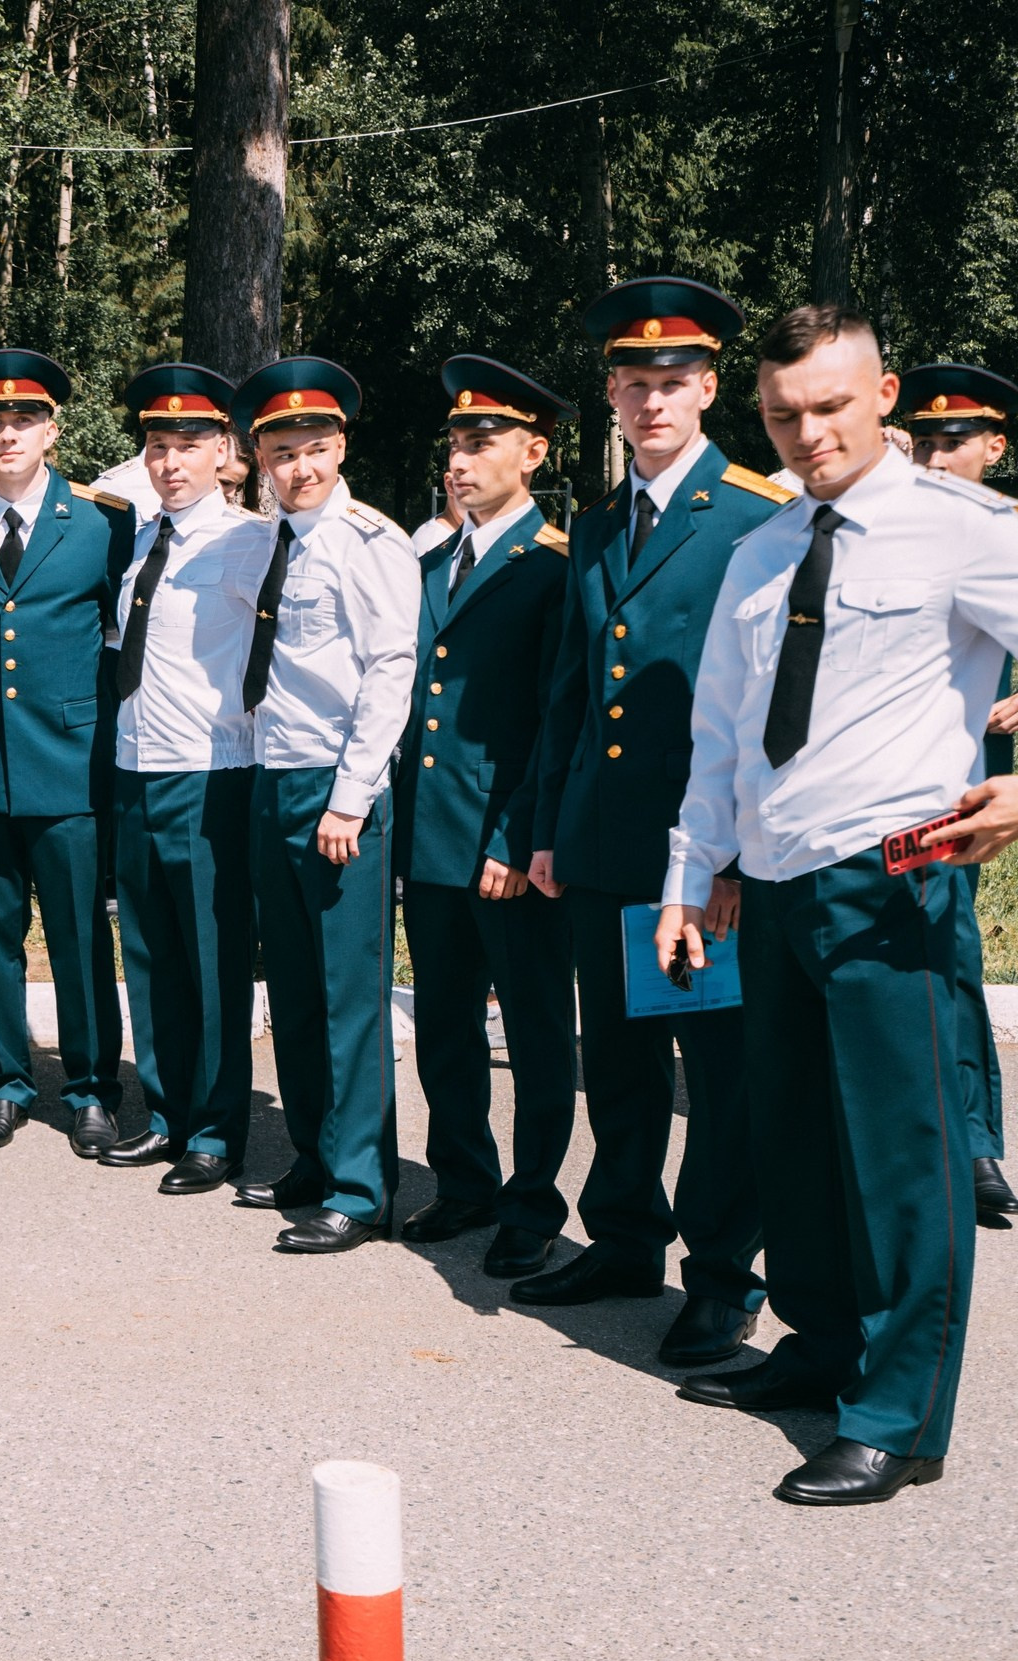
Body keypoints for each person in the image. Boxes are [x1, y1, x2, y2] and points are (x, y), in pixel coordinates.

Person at [660, 304, 1018, 1504]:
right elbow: (719, 729)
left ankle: (896, 1414)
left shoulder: (963, 531)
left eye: (830, 406)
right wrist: (696, 868)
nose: (808, 433)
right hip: (770, 887)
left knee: (901, 1158)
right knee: (798, 1146)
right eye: (782, 414)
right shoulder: (762, 549)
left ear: (882, 396)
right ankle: (823, 1350)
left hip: (891, 880)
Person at [517, 278, 792, 1367]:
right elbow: (571, 695)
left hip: (704, 854)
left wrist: (726, 856)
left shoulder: (755, 518)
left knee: (715, 1077)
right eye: (632, 384)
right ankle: (625, 1239)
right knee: (619, 1064)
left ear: (710, 388)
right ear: (612, 397)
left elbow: (770, 708)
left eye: (672, 382)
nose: (650, 401)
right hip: (600, 843)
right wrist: (548, 829)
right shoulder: (592, 526)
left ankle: (722, 1277)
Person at [390, 357, 580, 1277]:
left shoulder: (555, 567)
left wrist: (515, 834)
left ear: (533, 452)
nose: (460, 460)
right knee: (446, 1023)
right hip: (429, 836)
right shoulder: (428, 560)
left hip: (506, 844)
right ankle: (463, 1177)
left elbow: (556, 718)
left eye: (482, 442)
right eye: (455, 443)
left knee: (538, 1029)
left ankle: (533, 1202)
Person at [225, 357, 419, 1252]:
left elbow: (390, 673)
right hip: (274, 779)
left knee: (349, 995)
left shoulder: (372, 541)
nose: (300, 467)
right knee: (294, 991)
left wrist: (349, 800)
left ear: (342, 446)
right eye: (281, 451)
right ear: (258, 457)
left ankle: (360, 1183)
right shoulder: (273, 539)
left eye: (315, 448)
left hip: (338, 792)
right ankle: (312, 1155)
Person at [0, 348, 131, 1155]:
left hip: (75, 766)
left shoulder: (103, 520)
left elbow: (133, 637)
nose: (7, 434)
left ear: (52, 429)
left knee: (82, 937)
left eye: (23, 420)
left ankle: (90, 1088)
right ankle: (6, 1085)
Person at [95, 363, 275, 1195]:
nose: (171, 462)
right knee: (152, 952)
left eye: (190, 446)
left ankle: (214, 1131)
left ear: (224, 453)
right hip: (136, 766)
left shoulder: (249, 540)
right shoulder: (135, 542)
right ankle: (164, 1113)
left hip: (211, 771)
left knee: (211, 959)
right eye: (159, 446)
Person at [900, 362, 1018, 1225]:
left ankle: (973, 1140)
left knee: (946, 951)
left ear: (995, 446)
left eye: (955, 441)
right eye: (924, 439)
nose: (936, 455)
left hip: (961, 787)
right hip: (868, 782)